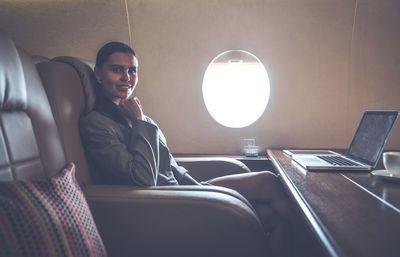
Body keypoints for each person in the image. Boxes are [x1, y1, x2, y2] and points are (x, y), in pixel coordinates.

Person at [79, 42, 300, 257]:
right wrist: (139, 122)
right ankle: (327, 245)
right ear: (98, 73)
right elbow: (143, 178)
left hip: (184, 189)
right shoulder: (97, 124)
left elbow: (170, 165)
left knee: (268, 181)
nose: (127, 78)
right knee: (272, 215)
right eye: (116, 70)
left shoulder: (134, 115)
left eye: (132, 70)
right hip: (165, 204)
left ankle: (324, 243)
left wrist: (200, 188)